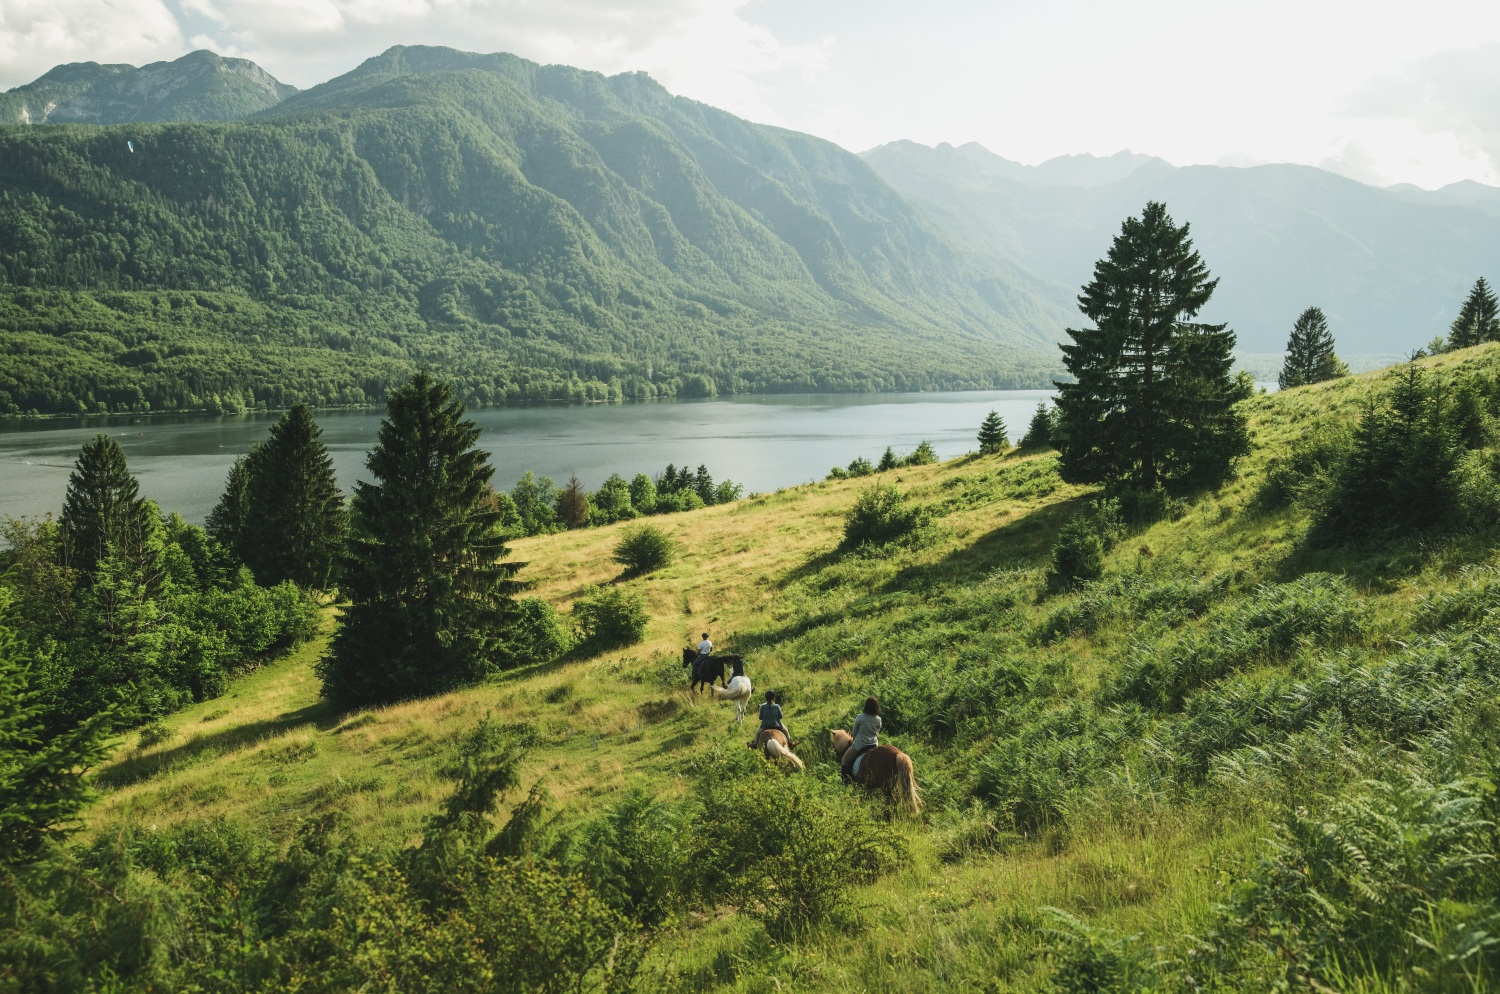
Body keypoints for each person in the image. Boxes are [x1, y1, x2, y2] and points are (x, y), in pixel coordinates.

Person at [841, 696, 882, 781]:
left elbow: (854, 732)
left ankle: (845, 781)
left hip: (860, 745)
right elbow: (878, 731)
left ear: (866, 706)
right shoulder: (878, 719)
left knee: (844, 760)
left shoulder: (860, 717)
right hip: (874, 744)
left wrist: (854, 740)